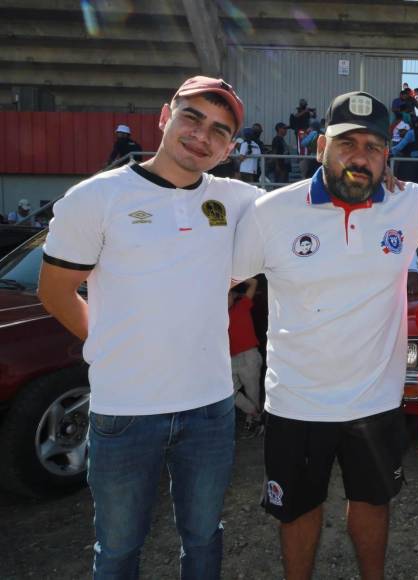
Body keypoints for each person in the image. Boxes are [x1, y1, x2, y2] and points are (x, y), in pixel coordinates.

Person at [231, 90, 418, 580]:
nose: (361, 156)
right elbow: (220, 280)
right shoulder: (272, 213)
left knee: (372, 503)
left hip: (375, 401)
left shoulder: (407, 204)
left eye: (373, 147)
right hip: (296, 402)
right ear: (319, 148)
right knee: (298, 509)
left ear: (386, 156)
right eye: (347, 143)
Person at [37, 75, 258, 579]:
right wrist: (112, 344)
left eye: (220, 131)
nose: (202, 136)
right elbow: (54, 292)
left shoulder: (240, 200)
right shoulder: (95, 198)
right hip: (125, 411)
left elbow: (306, 207)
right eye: (193, 118)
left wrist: (394, 183)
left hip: (209, 409)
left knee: (204, 539)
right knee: (117, 549)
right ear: (165, 116)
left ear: (228, 148)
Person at [229, 277, 263, 437]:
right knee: (229, 391)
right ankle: (257, 414)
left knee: (252, 392)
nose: (225, 299)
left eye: (228, 295)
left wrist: (232, 279)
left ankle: (255, 423)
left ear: (234, 296)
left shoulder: (242, 305)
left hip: (248, 355)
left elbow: (254, 283)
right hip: (231, 358)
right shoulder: (218, 315)